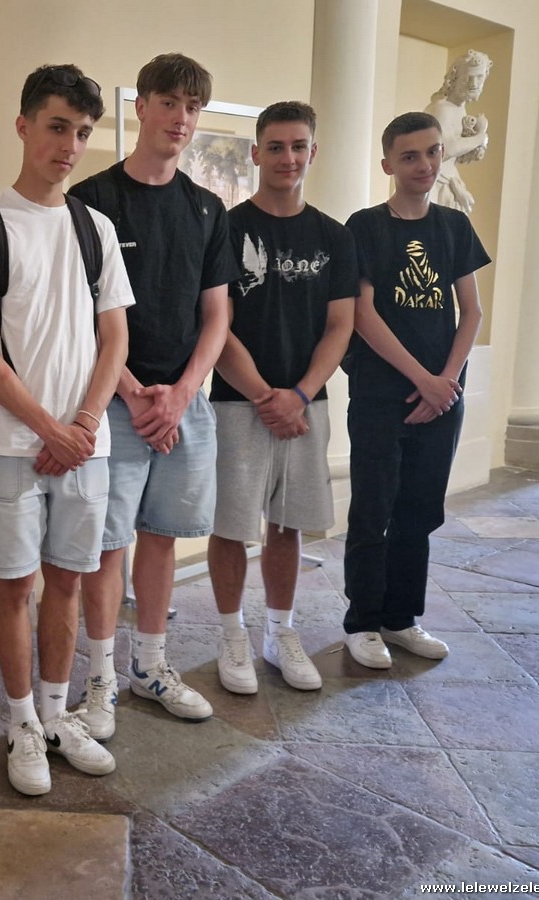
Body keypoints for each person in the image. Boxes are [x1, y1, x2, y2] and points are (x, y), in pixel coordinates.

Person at [0, 64, 132, 795]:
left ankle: (58, 715)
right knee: (15, 585)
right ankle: (22, 721)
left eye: (83, 133)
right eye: (58, 127)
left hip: (86, 444)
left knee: (69, 580)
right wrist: (48, 430)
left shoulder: (96, 228)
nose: (70, 146)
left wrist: (82, 423)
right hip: (11, 444)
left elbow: (114, 337)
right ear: (24, 125)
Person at [70, 53, 238, 741]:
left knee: (162, 538)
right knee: (108, 546)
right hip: (116, 402)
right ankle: (100, 679)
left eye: (193, 107)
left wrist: (182, 393)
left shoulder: (207, 208)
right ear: (140, 107)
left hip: (183, 404)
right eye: (169, 102)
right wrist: (137, 394)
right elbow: (81, 314)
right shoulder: (92, 201)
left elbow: (217, 315)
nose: (181, 118)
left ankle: (151, 665)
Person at [206, 101, 357, 695]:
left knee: (288, 526)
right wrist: (266, 396)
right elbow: (217, 325)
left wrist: (299, 394)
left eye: (298, 146)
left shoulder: (334, 236)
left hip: (305, 404)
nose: (287, 158)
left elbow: (340, 326)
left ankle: (279, 632)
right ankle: (231, 635)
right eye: (275, 146)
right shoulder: (226, 229)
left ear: (312, 153)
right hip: (237, 403)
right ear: (256, 153)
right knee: (230, 528)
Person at [341, 111, 489, 669]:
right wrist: (422, 380)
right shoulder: (366, 227)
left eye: (431, 152)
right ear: (388, 165)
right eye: (409, 156)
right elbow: (363, 314)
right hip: (382, 394)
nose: (423, 164)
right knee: (372, 509)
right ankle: (362, 623)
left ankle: (401, 619)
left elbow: (471, 312)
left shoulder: (454, 227)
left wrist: (445, 382)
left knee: (419, 510)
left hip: (443, 396)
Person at [424, 49, 493, 213]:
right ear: (455, 78)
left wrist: (476, 134)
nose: (474, 83)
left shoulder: (459, 109)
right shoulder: (442, 108)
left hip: (449, 181)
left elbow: (457, 157)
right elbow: (445, 151)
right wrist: (480, 137)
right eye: (469, 77)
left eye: (479, 77)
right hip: (436, 185)